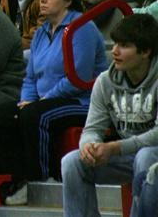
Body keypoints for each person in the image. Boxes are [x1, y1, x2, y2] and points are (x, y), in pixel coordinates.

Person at [0, 0, 108, 206]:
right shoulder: (40, 33)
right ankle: (17, 179)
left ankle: (40, 179)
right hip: (44, 100)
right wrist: (27, 99)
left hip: (82, 101)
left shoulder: (82, 28)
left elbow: (77, 78)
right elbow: (30, 77)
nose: (43, 0)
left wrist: (42, 100)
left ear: (67, 0)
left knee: (35, 115)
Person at [61, 14, 158, 217]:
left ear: (146, 51)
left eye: (124, 45)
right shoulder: (105, 81)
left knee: (145, 156)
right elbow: (92, 128)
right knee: (72, 162)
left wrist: (114, 148)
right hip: (126, 155)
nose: (114, 51)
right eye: (115, 44)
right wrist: (89, 146)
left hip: (151, 155)